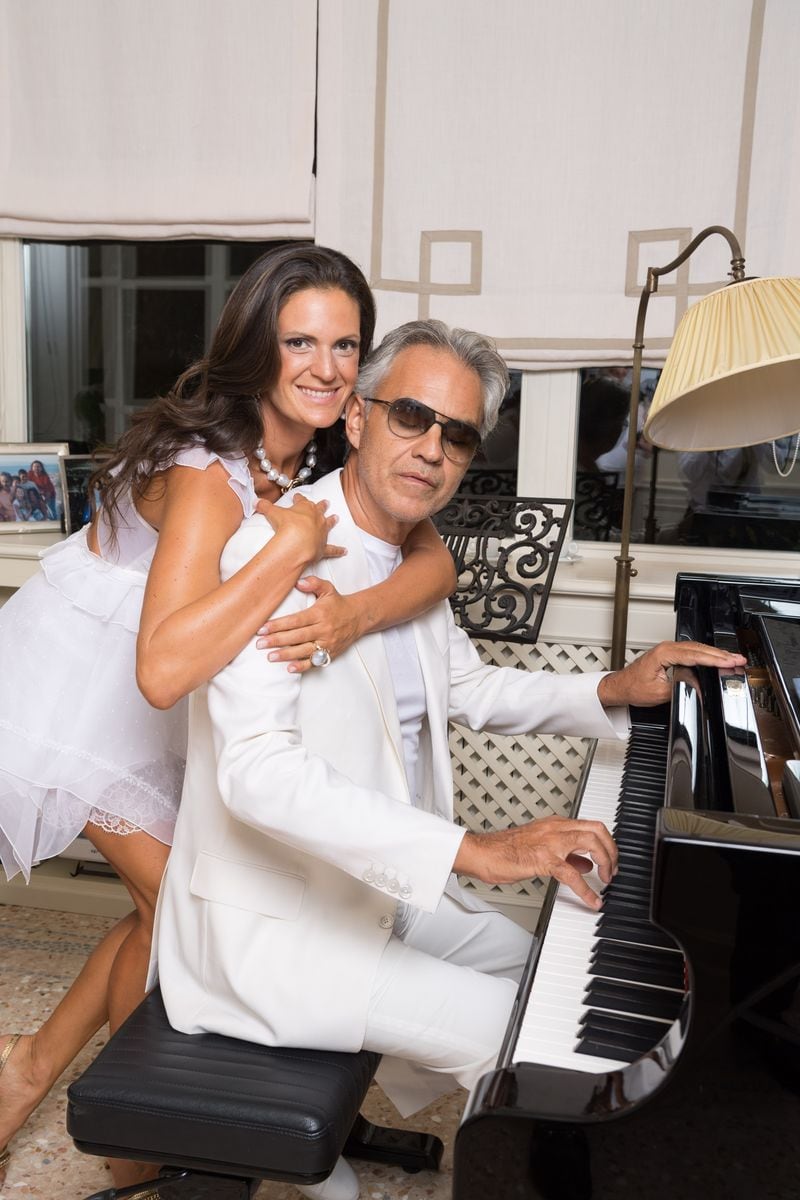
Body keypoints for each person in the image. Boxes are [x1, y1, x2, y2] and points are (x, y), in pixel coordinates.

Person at [154, 320, 745, 1200]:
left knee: (539, 966)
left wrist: (613, 690)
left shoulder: (403, 557)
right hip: (272, 931)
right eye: (411, 417)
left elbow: (467, 688)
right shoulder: (270, 553)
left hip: (372, 894)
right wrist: (477, 848)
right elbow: (256, 774)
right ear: (355, 417)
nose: (432, 449)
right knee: (528, 1042)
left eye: (457, 434)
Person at [0, 248, 457, 1189]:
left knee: (172, 903)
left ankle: (32, 1070)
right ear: (258, 346)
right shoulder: (206, 472)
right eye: (300, 342)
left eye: (346, 345)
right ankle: (139, 1154)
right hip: (83, 688)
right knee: (181, 911)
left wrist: (354, 611)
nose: (327, 368)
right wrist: (287, 551)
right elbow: (162, 668)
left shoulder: (324, 450)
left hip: (169, 683)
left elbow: (435, 562)